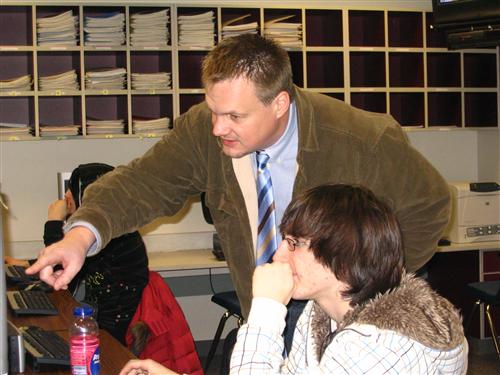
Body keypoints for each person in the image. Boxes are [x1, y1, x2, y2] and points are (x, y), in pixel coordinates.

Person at [26, 34, 450, 349]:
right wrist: (80, 237)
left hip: (352, 315)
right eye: (213, 110)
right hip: (266, 306)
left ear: (280, 103)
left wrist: (362, 288)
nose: (217, 128)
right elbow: (144, 182)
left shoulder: (363, 139)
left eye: (233, 115)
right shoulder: (203, 132)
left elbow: (429, 205)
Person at [118, 184, 467, 375]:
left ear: (342, 258)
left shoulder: (379, 345)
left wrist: (267, 310)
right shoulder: (323, 314)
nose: (278, 256)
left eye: (295, 244)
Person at [8, 163, 149, 345]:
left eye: (70, 200)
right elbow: (70, 258)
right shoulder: (114, 229)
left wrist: (53, 221)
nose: (67, 206)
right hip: (98, 322)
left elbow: (62, 267)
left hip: (106, 336)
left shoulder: (111, 236)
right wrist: (25, 263)